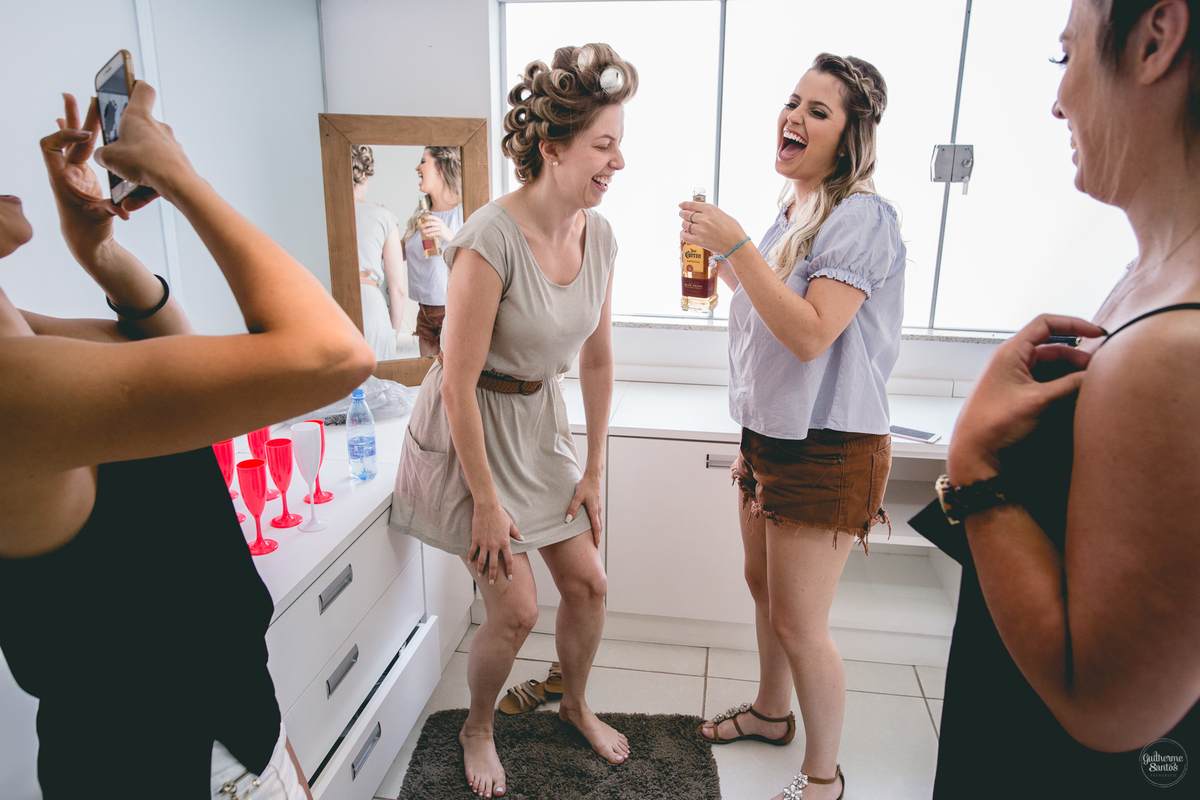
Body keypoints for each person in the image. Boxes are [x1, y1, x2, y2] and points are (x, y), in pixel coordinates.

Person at [0, 86, 375, 798]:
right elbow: (331, 355)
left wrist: (103, 257)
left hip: (216, 727)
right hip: (165, 763)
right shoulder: (10, 384)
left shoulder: (18, 335)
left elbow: (181, 359)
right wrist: (178, 177)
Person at [909, 0, 1200, 795]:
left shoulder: (1179, 349)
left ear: (1155, 37)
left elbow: (1108, 708)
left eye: (1063, 56)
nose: (1057, 97)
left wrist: (970, 460)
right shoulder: (1148, 279)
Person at [390, 43, 637, 799]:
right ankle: (479, 726)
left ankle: (575, 704)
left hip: (539, 425)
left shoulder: (601, 238)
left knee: (590, 584)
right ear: (551, 148)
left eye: (620, 143)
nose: (618, 161)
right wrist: (488, 506)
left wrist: (594, 465)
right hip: (471, 429)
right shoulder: (489, 240)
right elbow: (456, 383)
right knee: (518, 607)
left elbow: (595, 363)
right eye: (604, 145)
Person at [685, 54, 902, 800]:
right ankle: (773, 716)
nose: (795, 118)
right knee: (764, 591)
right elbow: (770, 320)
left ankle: (823, 779)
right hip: (768, 435)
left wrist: (740, 248)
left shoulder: (863, 217)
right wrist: (734, 264)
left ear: (849, 138)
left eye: (818, 110)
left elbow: (812, 334)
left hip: (827, 446)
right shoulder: (792, 213)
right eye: (792, 102)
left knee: (804, 625)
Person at [401, 146, 463, 357]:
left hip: (452, 309)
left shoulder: (463, 211)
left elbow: (477, 257)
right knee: (428, 381)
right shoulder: (421, 212)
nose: (417, 167)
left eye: (423, 161)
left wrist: (448, 234)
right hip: (424, 310)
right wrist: (384, 225)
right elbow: (399, 254)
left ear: (441, 167)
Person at [352, 144, 405, 361]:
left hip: (329, 306)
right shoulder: (383, 216)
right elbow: (398, 290)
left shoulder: (321, 214)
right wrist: (392, 334)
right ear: (364, 174)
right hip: (370, 308)